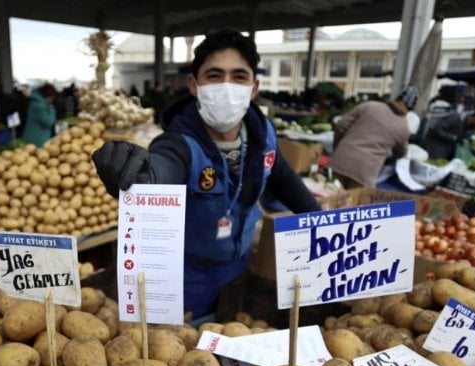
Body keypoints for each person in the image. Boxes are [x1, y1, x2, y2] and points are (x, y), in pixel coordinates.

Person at [92, 28, 321, 321]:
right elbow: (161, 170)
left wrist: (325, 227)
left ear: (254, 87)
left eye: (239, 76)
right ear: (194, 84)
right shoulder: (180, 144)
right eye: (214, 75)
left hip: (238, 269)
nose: (227, 86)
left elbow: (290, 187)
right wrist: (136, 172)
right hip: (187, 277)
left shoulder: (264, 137)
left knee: (231, 328)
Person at [328, 86, 418, 189]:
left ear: (396, 98)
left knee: (329, 197)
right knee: (354, 203)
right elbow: (401, 153)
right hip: (365, 172)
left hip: (341, 161)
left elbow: (341, 125)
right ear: (410, 109)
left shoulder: (369, 106)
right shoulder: (404, 127)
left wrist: (338, 148)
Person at [21, 83, 57, 147]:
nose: (53, 100)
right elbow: (49, 122)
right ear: (49, 96)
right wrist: (51, 109)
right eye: (53, 97)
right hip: (36, 140)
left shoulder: (37, 102)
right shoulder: (40, 106)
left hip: (34, 138)